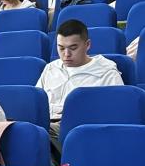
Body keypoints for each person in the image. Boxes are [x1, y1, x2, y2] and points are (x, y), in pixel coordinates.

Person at [37, 20, 122, 154]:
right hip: (47, 123)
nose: (66, 54)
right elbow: (37, 104)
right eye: (61, 48)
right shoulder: (50, 69)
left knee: (37, 135)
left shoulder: (106, 72)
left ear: (87, 45)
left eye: (73, 48)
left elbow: (117, 112)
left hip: (80, 128)